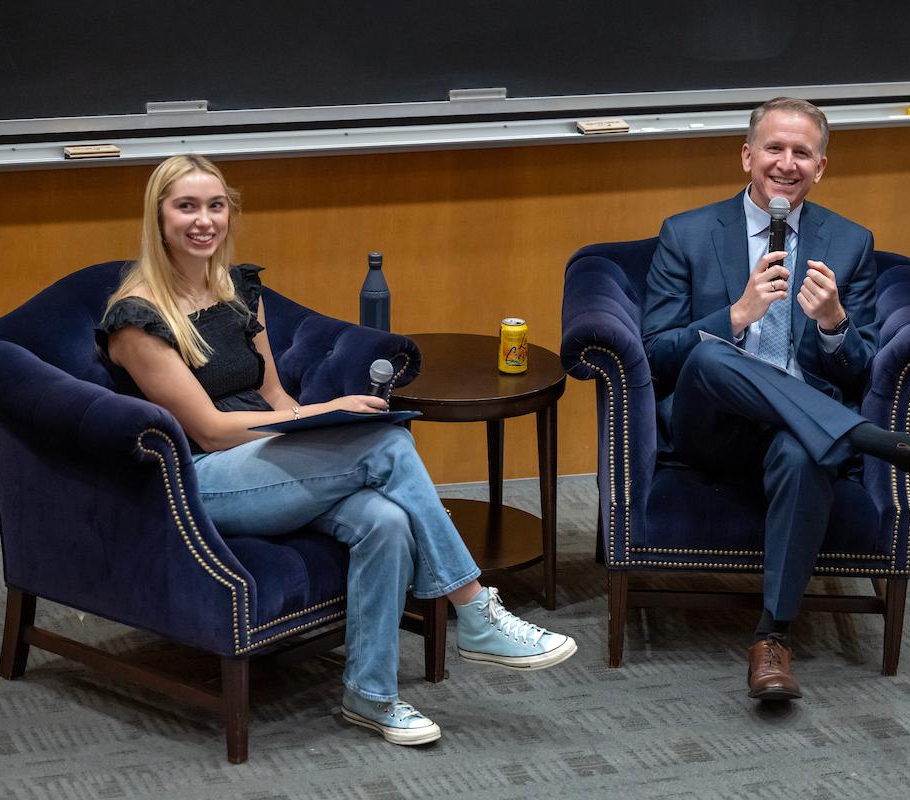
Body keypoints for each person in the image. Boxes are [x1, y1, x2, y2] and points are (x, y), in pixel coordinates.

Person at [95, 154, 576, 746]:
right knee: (386, 444)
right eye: (186, 207)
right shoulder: (137, 319)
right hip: (203, 480)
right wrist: (328, 414)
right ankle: (474, 610)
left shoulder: (238, 289)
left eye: (214, 206)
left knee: (387, 518)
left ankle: (371, 695)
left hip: (266, 459)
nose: (204, 221)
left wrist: (310, 424)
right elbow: (212, 431)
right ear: (158, 216)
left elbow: (272, 394)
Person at [641, 97, 910, 702]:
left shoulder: (849, 243)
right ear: (748, 156)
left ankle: (772, 641)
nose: (787, 164)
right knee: (711, 353)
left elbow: (859, 372)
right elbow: (655, 355)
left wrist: (833, 326)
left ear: (820, 167)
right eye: (774, 148)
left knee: (804, 454)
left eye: (802, 153)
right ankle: (900, 450)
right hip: (708, 422)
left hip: (799, 426)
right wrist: (737, 315)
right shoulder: (687, 233)